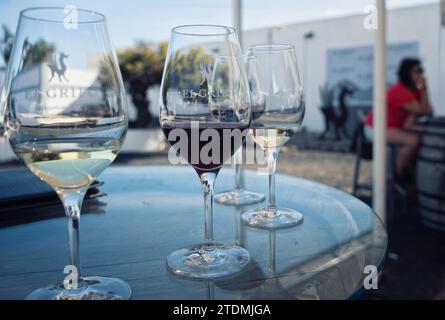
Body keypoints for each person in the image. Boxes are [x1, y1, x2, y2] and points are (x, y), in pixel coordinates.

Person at [364, 58, 433, 179]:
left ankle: (402, 172)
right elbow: (422, 109)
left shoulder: (414, 92)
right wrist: (424, 89)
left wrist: (413, 114)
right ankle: (396, 176)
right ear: (407, 73)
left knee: (418, 136)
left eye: (422, 71)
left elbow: (429, 111)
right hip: (375, 128)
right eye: (418, 71)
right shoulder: (398, 90)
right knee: (413, 140)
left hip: (391, 127)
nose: (421, 74)